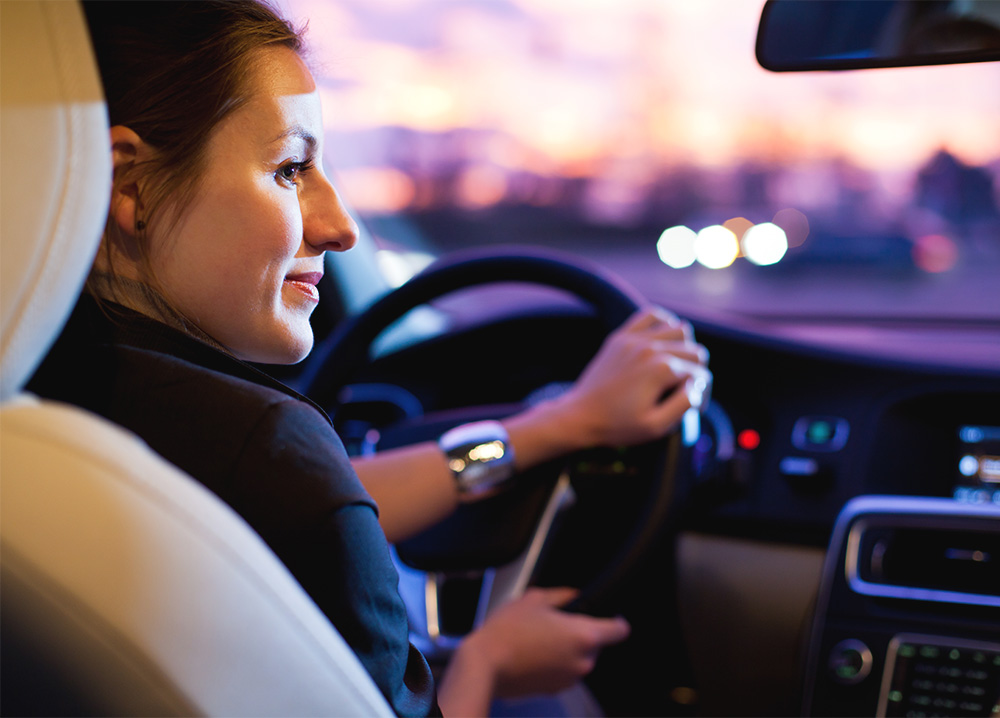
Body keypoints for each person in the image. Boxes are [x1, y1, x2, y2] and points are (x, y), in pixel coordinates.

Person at [28, 1, 709, 716]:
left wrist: (557, 427)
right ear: (128, 186)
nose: (342, 227)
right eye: (291, 168)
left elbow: (317, 499)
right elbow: (303, 491)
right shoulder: (264, 448)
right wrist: (484, 664)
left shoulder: (54, 390)